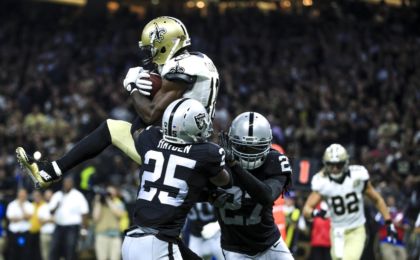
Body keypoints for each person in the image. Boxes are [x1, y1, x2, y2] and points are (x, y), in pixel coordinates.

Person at [16, 16, 220, 189]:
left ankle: (49, 173)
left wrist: (133, 88)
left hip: (179, 149)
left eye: (152, 48)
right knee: (111, 128)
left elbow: (150, 114)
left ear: (165, 43)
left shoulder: (182, 67)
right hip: (192, 142)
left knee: (137, 128)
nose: (149, 53)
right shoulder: (199, 60)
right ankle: (49, 172)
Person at [120, 98, 230, 260]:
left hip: (133, 240)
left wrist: (140, 92)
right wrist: (231, 162)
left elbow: (136, 130)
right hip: (159, 244)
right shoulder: (205, 153)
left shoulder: (151, 138)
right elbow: (225, 181)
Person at [214, 112, 294, 260]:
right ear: (232, 142)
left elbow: (266, 196)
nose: (249, 154)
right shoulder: (217, 161)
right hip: (236, 249)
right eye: (244, 148)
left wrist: (234, 165)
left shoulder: (275, 161)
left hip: (270, 244)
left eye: (256, 148)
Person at [302, 143, 398, 260]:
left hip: (356, 229)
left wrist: (388, 222)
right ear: (326, 164)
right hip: (337, 231)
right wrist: (316, 213)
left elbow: (377, 199)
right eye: (331, 165)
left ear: (346, 162)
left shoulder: (357, 176)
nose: (335, 169)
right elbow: (307, 209)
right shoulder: (322, 182)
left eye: (339, 165)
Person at [48, 176, 89, 260]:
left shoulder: (78, 195)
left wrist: (84, 230)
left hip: (72, 227)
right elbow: (51, 211)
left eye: (69, 182)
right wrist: (57, 206)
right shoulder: (58, 195)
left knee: (70, 249)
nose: (66, 184)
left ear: (72, 184)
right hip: (59, 226)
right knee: (54, 248)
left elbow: (84, 213)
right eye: (65, 183)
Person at [92, 185, 126, 260]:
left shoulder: (118, 203)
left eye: (110, 193)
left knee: (115, 258)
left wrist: (109, 200)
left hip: (115, 236)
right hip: (101, 235)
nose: (109, 195)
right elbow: (95, 218)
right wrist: (98, 201)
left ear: (115, 194)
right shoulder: (99, 204)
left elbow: (119, 214)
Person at [5, 188, 34, 260]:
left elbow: (28, 217)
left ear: (26, 195)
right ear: (18, 195)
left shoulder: (29, 205)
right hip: (14, 233)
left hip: (25, 233)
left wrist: (22, 207)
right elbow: (10, 218)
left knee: (26, 253)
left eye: (24, 194)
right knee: (13, 253)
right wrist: (23, 217)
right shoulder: (12, 204)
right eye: (21, 194)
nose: (22, 196)